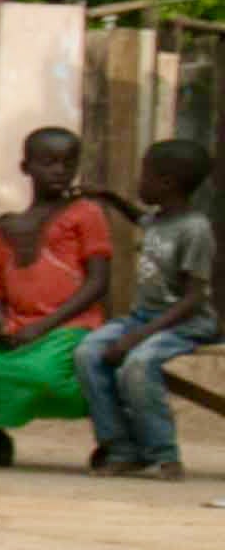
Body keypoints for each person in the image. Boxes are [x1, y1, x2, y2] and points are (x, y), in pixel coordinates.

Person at [0, 127, 114, 467]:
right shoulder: (10, 226)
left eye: (68, 163)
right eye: (48, 162)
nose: (59, 170)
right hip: (15, 326)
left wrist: (43, 327)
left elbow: (98, 283)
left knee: (41, 375)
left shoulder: (86, 213)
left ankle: (112, 431)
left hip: (68, 325)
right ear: (26, 168)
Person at [81, 137, 217, 479]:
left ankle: (164, 454)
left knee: (137, 365)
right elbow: (141, 219)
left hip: (186, 322)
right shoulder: (160, 219)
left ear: (167, 183)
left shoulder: (196, 230)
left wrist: (137, 337)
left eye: (145, 175)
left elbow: (193, 298)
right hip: (145, 318)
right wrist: (110, 199)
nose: (139, 182)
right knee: (88, 353)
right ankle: (121, 447)